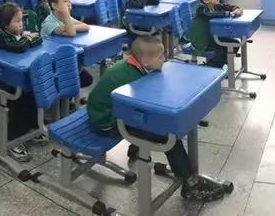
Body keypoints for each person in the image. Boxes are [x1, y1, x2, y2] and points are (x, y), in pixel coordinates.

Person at [86, 35, 229, 202]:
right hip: (107, 120)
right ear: (146, 61)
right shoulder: (129, 77)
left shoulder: (138, 66)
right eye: (161, 57)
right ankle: (190, 184)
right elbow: (139, 105)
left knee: (158, 121)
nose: (164, 59)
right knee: (166, 134)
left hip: (119, 110)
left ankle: (135, 148)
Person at [0, 2, 44, 162]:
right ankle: (13, 140)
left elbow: (39, 39)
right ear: (5, 24)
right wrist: (27, 38)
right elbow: (19, 47)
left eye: (22, 20)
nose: (21, 24)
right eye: (17, 21)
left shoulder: (17, 35)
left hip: (16, 77)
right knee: (20, 103)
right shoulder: (1, 36)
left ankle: (32, 128)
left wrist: (26, 39)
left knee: (32, 96)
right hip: (0, 80)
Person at [40, 0, 93, 86]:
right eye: (65, 2)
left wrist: (71, 25)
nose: (69, 4)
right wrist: (66, 15)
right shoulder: (49, 23)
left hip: (64, 57)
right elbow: (71, 33)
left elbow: (86, 26)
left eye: (69, 1)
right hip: (50, 65)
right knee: (82, 79)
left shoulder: (67, 19)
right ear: (54, 5)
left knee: (87, 79)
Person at [187, 0, 242, 68]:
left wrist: (236, 9)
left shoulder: (215, 6)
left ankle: (218, 66)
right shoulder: (201, 8)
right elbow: (210, 14)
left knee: (235, 43)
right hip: (201, 41)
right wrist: (229, 13)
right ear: (205, 0)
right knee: (219, 50)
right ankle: (211, 68)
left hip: (210, 38)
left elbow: (228, 7)